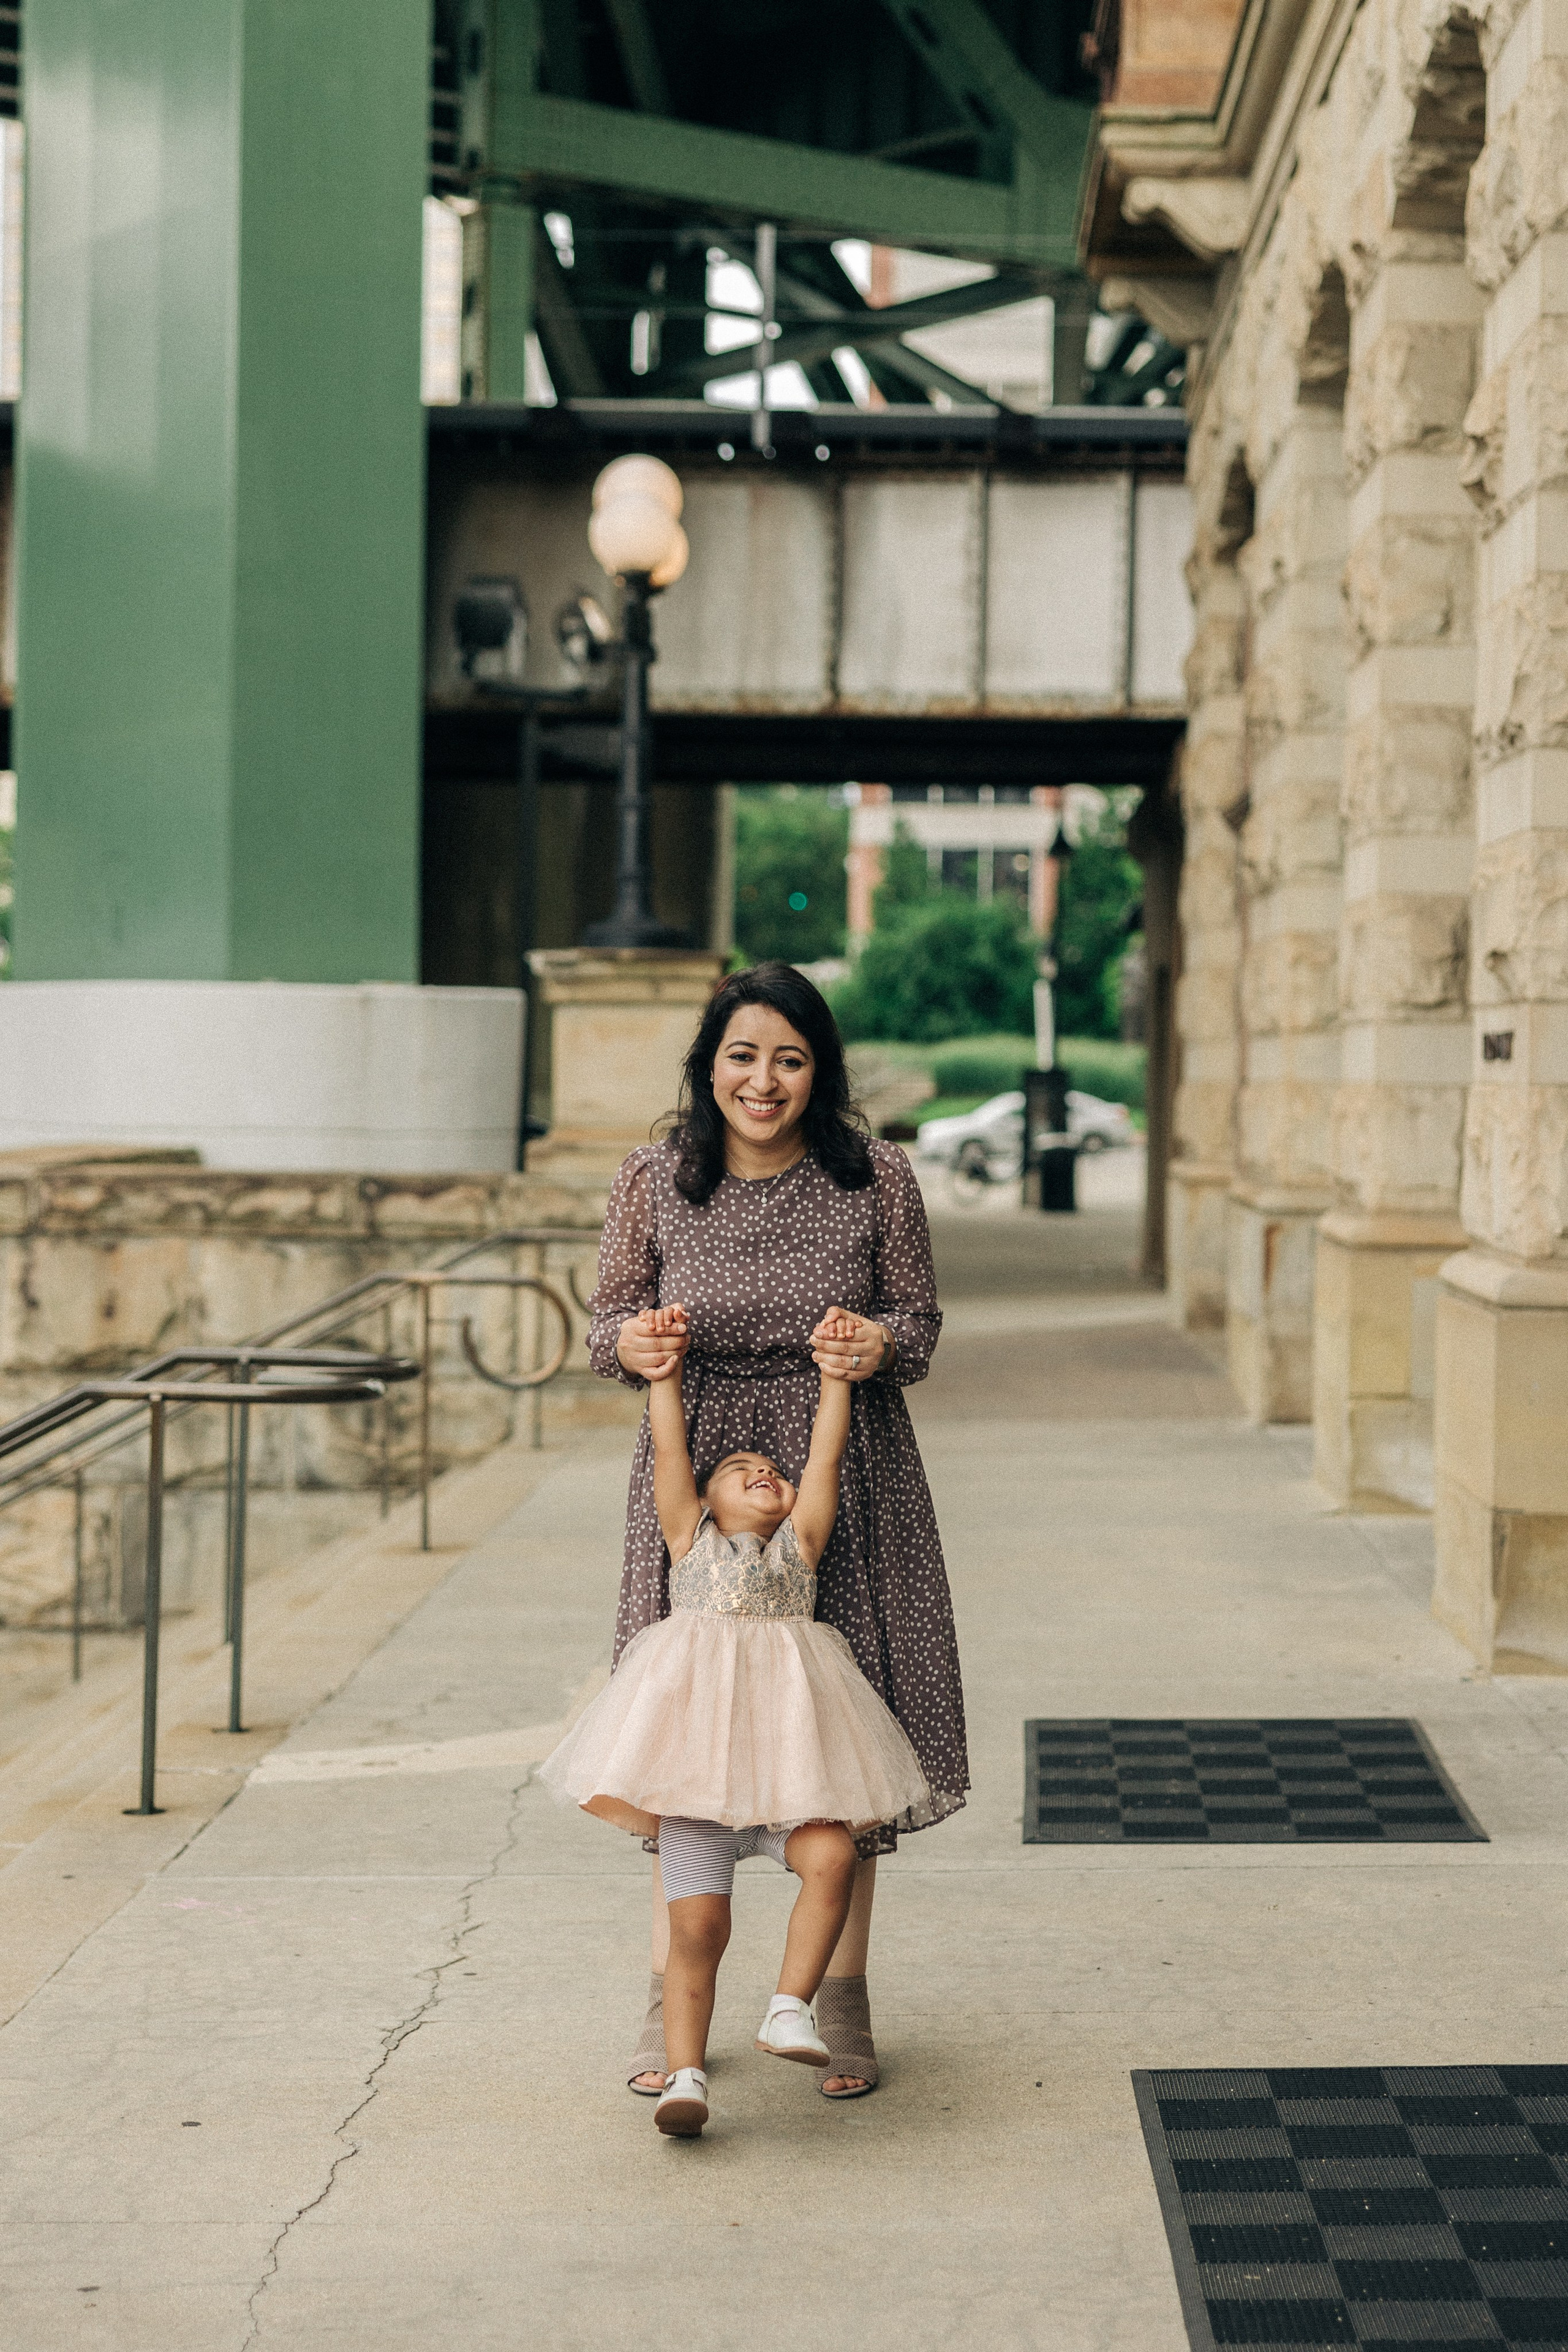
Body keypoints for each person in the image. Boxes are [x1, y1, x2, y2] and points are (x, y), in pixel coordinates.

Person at [588, 961, 969, 2099]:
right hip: (698, 1467)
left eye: (790, 1060)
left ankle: (838, 1998)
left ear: (821, 1072)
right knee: (685, 1728)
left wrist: (878, 1346)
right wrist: (634, 1347)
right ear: (709, 1066)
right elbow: (607, 1325)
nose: (764, 1081)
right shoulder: (655, 1177)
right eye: (743, 1056)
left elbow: (919, 1323)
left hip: (846, 1469)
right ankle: (670, 1999)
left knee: (840, 1735)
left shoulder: (877, 1177)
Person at [541, 1306, 932, 2137]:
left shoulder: (801, 1547)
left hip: (791, 1778)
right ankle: (685, 2074)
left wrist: (835, 1381)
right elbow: (671, 1454)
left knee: (834, 1856)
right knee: (699, 1929)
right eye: (739, 1469)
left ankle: (790, 2006)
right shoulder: (690, 1541)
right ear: (707, 1501)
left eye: (769, 1470)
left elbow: (824, 1458)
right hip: (697, 1783)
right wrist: (663, 1377)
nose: (762, 1471)